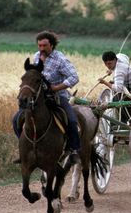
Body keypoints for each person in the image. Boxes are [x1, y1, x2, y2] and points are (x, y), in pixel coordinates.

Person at [12, 31, 81, 164]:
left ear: (52, 45)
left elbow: (74, 77)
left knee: (72, 121)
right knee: (16, 119)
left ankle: (74, 150)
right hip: (38, 98)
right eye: (40, 46)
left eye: (45, 46)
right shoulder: (37, 56)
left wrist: (56, 87)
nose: (42, 49)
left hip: (57, 96)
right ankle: (24, 149)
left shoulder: (61, 59)